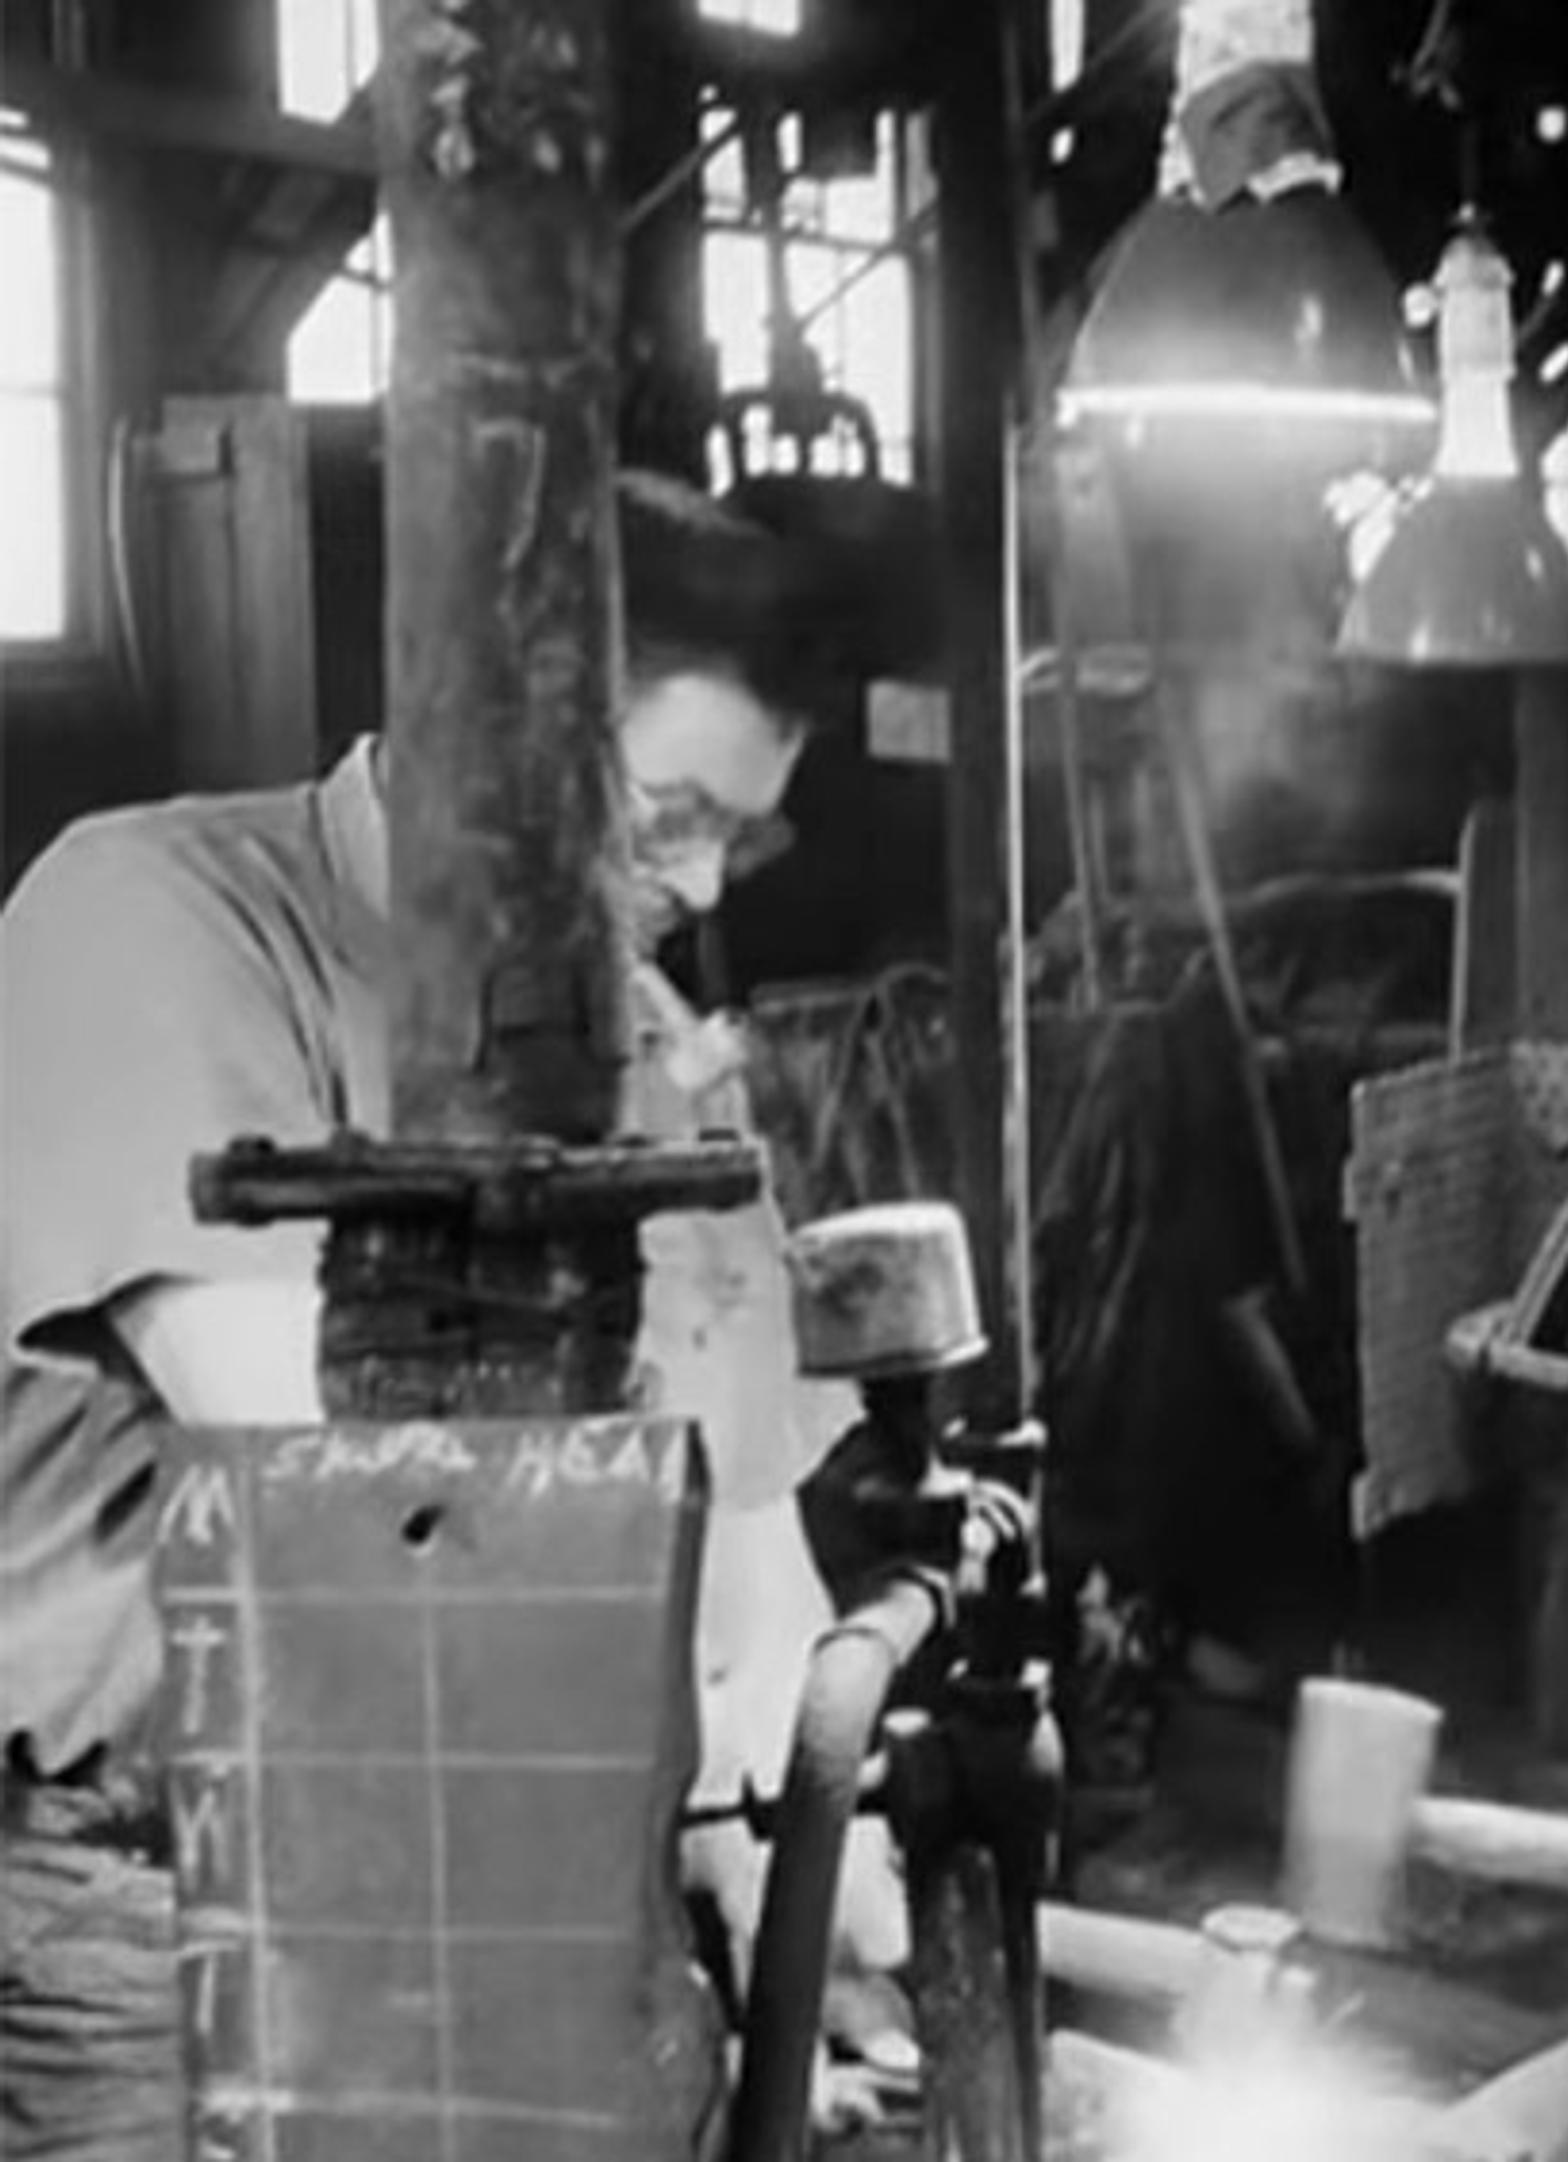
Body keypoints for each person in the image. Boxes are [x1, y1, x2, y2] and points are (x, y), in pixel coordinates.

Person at [0, 471, 906, 2159]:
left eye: (743, 830)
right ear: (482, 739)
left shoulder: (643, 1058)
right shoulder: (148, 924)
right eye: (664, 813)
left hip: (543, 1866)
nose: (704, 890)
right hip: (160, 1905)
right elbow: (360, 1518)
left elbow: (757, 1555)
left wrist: (799, 1851)